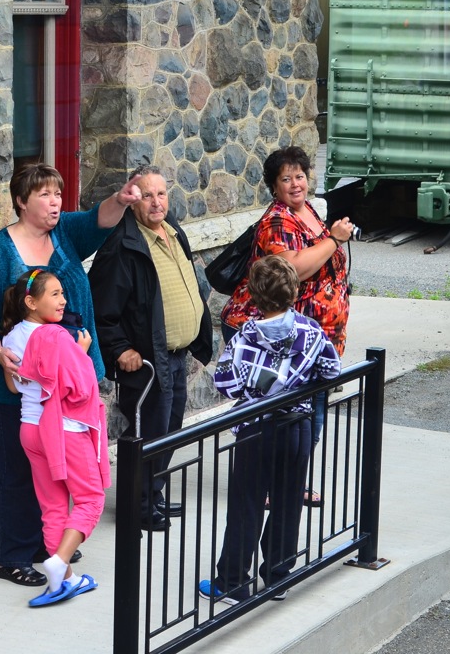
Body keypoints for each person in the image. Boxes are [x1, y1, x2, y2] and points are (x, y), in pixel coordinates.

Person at [0, 164, 140, 587]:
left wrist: (122, 199)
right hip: (16, 387)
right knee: (17, 471)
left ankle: (46, 542)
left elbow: (101, 218)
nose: (55, 202)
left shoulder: (65, 234)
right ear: (22, 201)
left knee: (54, 469)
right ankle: (10, 555)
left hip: (67, 388)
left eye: (58, 194)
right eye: (44, 195)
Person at [199, 256, 341, 605]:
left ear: (255, 296)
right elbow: (331, 370)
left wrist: (257, 384)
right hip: (298, 427)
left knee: (246, 503)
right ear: (294, 291)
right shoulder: (310, 331)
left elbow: (226, 382)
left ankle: (233, 581)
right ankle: (278, 576)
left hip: (257, 430)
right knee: (288, 500)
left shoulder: (246, 336)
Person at [220, 145, 353, 506]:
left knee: (310, 411)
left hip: (310, 338)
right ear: (274, 187)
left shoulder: (308, 210)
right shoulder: (277, 221)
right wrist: (335, 239)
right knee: (275, 414)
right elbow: (293, 268)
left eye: (300, 176)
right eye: (286, 179)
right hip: (272, 337)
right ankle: (270, 485)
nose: (295, 184)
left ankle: (290, 481)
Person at [89, 166, 213, 532]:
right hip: (146, 362)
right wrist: (119, 349)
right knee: (147, 432)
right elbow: (102, 308)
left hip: (174, 356)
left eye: (161, 194)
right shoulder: (122, 245)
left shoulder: (172, 231)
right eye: (147, 195)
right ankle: (136, 505)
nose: (156, 202)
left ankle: (152, 496)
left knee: (168, 428)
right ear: (132, 201)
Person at [0, 269, 107, 607]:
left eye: (63, 293)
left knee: (53, 505)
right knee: (91, 499)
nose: (63, 301)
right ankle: (59, 560)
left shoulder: (12, 338)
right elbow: (80, 388)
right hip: (64, 430)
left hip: (30, 428)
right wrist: (82, 352)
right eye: (55, 294)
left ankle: (65, 580)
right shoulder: (58, 338)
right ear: (31, 302)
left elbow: (13, 386)